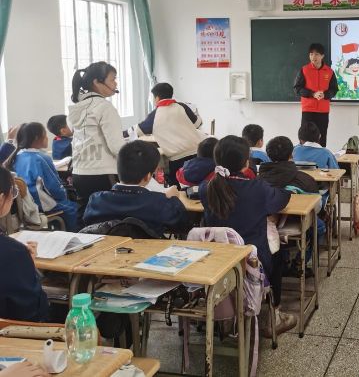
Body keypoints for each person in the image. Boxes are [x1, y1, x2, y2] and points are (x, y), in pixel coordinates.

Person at [199, 136, 295, 336]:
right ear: (246, 162)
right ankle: (274, 316)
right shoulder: (257, 188)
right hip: (252, 262)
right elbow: (281, 200)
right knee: (278, 254)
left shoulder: (206, 188)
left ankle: (226, 316)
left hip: (217, 261)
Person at [84, 141, 191, 236]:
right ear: (148, 176)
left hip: (106, 250)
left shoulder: (95, 200)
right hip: (148, 251)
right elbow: (183, 225)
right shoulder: (160, 203)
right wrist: (172, 199)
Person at [67, 62, 124, 224]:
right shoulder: (105, 107)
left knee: (86, 218)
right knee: (109, 221)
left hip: (79, 172)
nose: (115, 84)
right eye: (112, 79)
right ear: (97, 82)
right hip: (102, 172)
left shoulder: (77, 107)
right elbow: (116, 147)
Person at [130, 82, 206, 187]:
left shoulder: (155, 114)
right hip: (196, 153)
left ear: (157, 98)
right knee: (196, 186)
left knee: (177, 189)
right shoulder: (182, 106)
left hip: (177, 160)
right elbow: (198, 123)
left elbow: (138, 131)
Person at [7, 123, 78, 231]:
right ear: (37, 138)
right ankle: (74, 235)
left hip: (25, 204)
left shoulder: (16, 156)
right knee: (75, 209)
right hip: (41, 204)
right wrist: (65, 195)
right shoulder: (41, 158)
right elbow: (54, 187)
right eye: (45, 135)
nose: (47, 138)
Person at [0, 165, 49, 322]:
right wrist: (30, 269)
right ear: (1, 199)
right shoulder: (14, 254)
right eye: (13, 192)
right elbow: (33, 314)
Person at [293, 43, 338, 148]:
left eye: (317, 54)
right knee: (305, 137)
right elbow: (297, 88)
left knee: (321, 137)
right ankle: (303, 156)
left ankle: (321, 157)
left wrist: (325, 95)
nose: (313, 57)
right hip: (308, 110)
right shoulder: (304, 70)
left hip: (323, 111)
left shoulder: (329, 72)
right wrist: (312, 94)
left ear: (322, 56)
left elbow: (334, 89)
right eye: (311, 54)